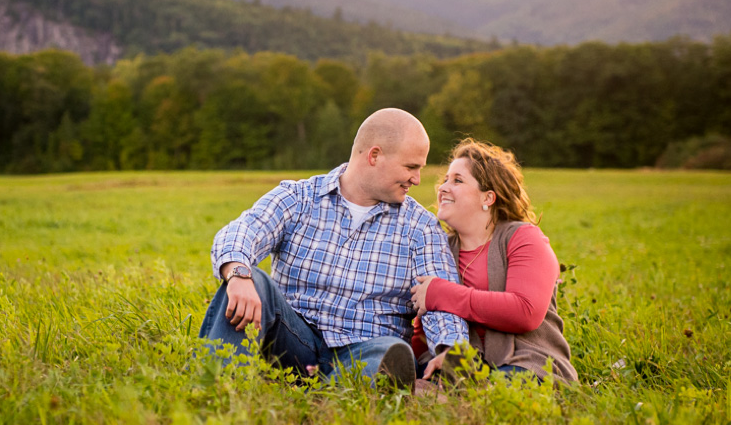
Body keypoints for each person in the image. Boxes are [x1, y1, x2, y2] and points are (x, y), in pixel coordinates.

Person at [199, 108, 466, 390]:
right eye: (411, 167)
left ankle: (358, 384)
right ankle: (213, 388)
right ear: (374, 156)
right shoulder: (299, 198)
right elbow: (242, 232)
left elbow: (441, 297)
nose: (417, 179)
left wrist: (449, 349)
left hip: (364, 348)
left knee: (389, 351)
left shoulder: (420, 227)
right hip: (292, 341)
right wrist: (238, 275)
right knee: (251, 281)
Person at [410, 138, 578, 383]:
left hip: (528, 363)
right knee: (417, 381)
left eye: (457, 180)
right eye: (445, 179)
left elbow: (525, 312)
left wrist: (443, 293)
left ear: (488, 198)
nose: (443, 187)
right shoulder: (440, 247)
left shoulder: (523, 238)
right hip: (466, 364)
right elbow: (425, 323)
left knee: (496, 392)